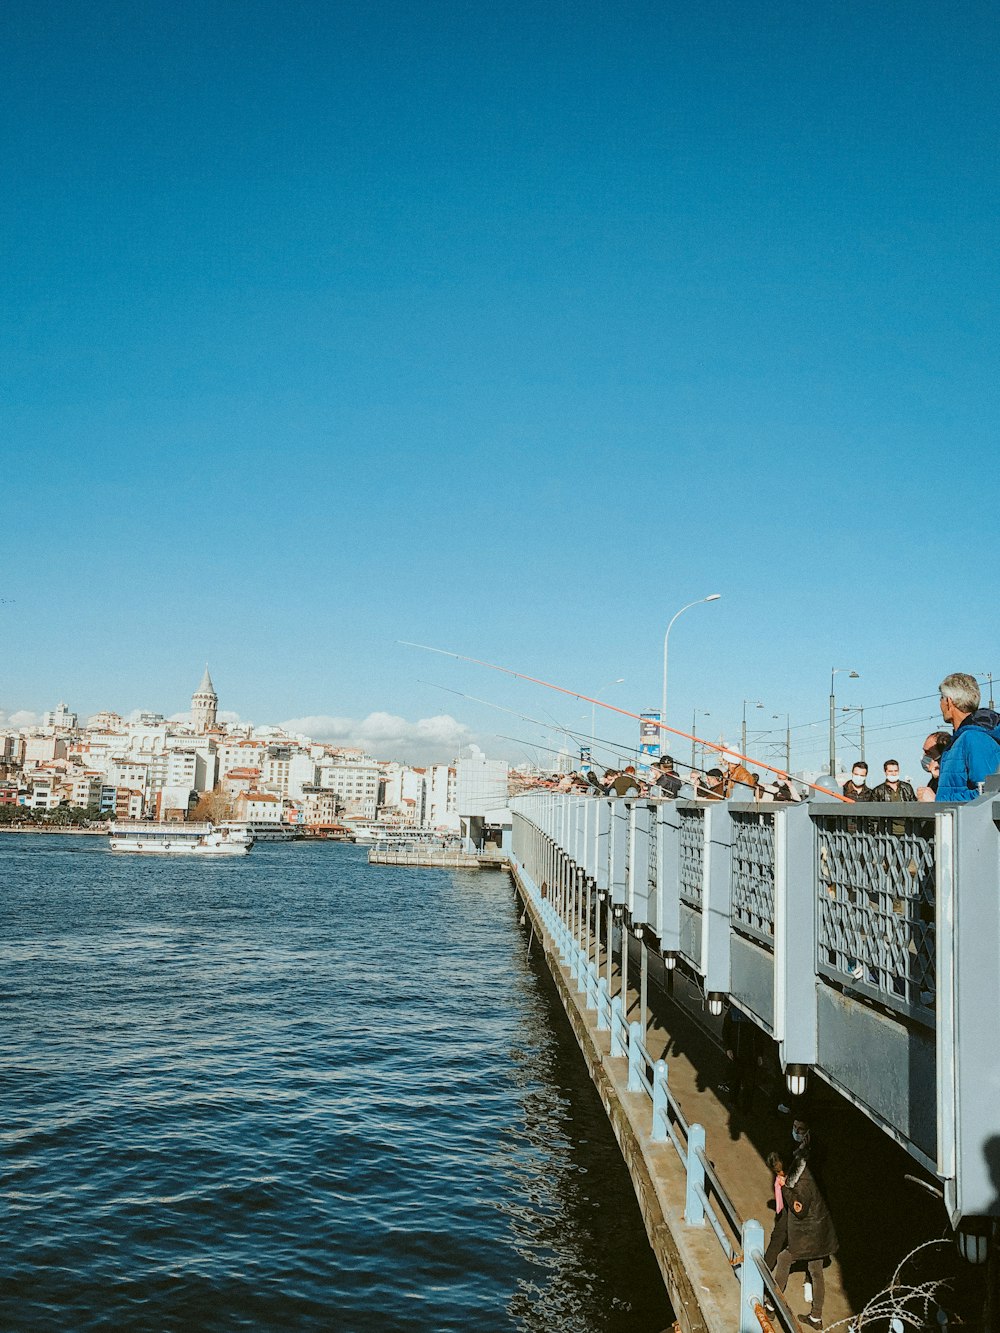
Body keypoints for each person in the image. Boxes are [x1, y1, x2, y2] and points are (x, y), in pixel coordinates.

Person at [772, 1162, 838, 1328]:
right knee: (816, 1272)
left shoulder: (802, 1184)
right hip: (819, 1237)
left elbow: (799, 1209)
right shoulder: (808, 1175)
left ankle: (771, 1305)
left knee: (783, 1259)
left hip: (808, 1237)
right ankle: (816, 1317)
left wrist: (785, 1189)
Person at [936, 673, 1000, 801]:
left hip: (970, 820)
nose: (940, 704)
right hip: (960, 819)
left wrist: (940, 801)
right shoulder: (961, 739)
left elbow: (989, 794)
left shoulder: (974, 738)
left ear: (949, 702)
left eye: (941, 698)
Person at [720, 1003, 762, 1113]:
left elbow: (759, 1036)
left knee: (749, 1084)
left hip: (750, 1055)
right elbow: (726, 1031)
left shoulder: (753, 1015)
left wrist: (759, 1054)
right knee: (736, 1080)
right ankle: (733, 1101)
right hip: (736, 1054)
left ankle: (746, 1108)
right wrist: (728, 1048)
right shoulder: (733, 1013)